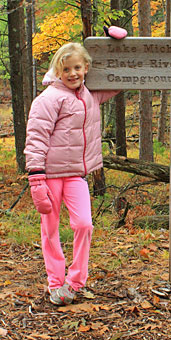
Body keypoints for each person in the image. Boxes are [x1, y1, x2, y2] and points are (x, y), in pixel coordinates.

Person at [24, 41, 120, 306]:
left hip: (76, 174)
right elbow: (36, 137)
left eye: (77, 67)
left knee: (84, 224)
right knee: (50, 230)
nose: (72, 73)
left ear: (86, 68)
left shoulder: (90, 95)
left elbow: (120, 79)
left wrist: (118, 41)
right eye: (66, 69)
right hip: (50, 175)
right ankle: (55, 282)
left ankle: (75, 281)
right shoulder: (49, 99)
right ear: (58, 70)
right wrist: (36, 177)